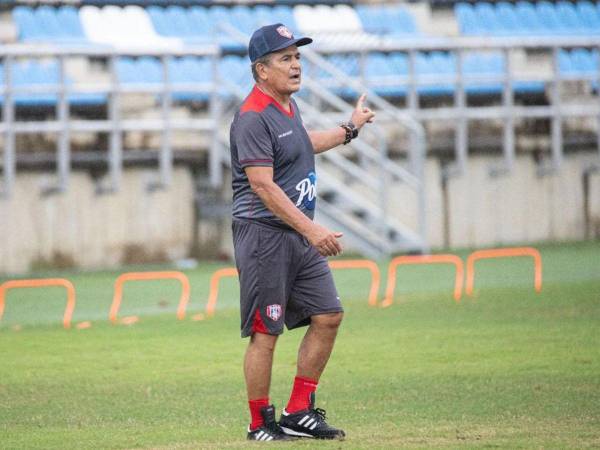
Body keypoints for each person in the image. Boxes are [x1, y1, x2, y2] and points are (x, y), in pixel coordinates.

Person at [229, 23, 375, 441]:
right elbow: (262, 185)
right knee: (266, 331)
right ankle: (260, 422)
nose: (295, 65)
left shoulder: (287, 107)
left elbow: (302, 143)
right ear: (261, 70)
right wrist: (312, 229)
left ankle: (298, 411)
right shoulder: (252, 116)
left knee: (328, 315)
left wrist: (349, 129)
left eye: (297, 57)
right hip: (265, 236)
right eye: (285, 59)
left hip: (296, 236)